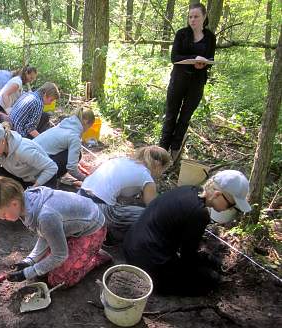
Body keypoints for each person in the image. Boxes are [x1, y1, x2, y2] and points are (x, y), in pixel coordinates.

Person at [123, 170, 251, 296]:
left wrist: (206, 260)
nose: (228, 209)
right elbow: (187, 257)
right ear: (217, 194)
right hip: (147, 264)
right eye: (230, 204)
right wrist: (208, 273)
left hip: (131, 245)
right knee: (209, 280)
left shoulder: (189, 190)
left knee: (205, 265)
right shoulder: (199, 214)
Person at [0, 176, 112, 287]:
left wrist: (27, 274)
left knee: (58, 279)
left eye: (3, 214)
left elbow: (60, 254)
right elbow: (45, 234)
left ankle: (95, 257)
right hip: (72, 227)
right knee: (42, 269)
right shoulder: (25, 202)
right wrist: (29, 261)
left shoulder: (45, 216)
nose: (3, 218)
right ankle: (81, 250)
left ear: (14, 203)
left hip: (93, 229)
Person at [158, 3, 216, 161]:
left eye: (196, 16)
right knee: (171, 115)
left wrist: (203, 64)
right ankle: (161, 152)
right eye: (190, 17)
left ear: (204, 17)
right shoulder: (181, 34)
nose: (193, 20)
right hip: (178, 80)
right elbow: (174, 58)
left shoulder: (210, 37)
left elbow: (211, 58)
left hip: (197, 83)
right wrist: (192, 59)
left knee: (185, 118)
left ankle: (175, 151)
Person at [79, 146, 171, 243]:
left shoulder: (121, 160)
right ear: (158, 165)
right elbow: (153, 208)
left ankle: (106, 232)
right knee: (149, 216)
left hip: (80, 196)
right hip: (100, 208)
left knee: (123, 205)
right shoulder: (146, 177)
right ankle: (114, 237)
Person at [0, 122, 58, 216]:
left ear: (2, 140)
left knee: (35, 212)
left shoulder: (23, 150)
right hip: (23, 179)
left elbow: (52, 168)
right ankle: (2, 204)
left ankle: (24, 204)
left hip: (42, 181)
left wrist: (33, 188)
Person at [34, 108, 95, 183]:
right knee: (78, 155)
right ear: (86, 122)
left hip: (29, 159)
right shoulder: (74, 136)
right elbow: (71, 168)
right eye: (89, 127)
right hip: (35, 168)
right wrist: (85, 179)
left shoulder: (62, 126)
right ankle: (49, 180)